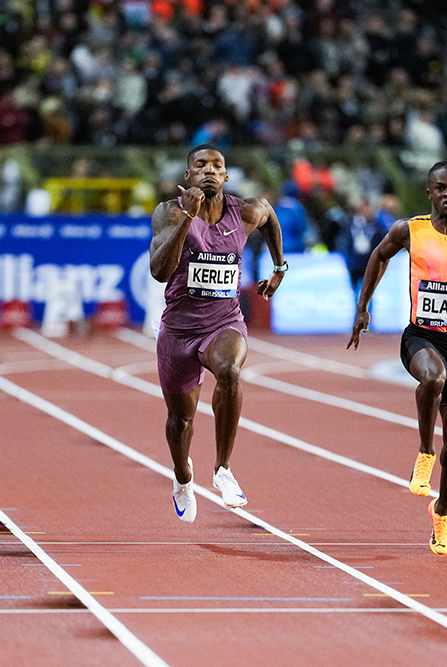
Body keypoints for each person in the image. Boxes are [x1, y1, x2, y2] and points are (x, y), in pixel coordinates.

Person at [347, 161, 447, 555]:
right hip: (420, 336)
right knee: (431, 378)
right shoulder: (409, 229)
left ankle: (444, 511)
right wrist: (363, 306)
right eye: (441, 188)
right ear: (429, 192)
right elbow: (378, 257)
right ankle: (423, 452)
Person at [149, 145, 285, 522]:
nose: (209, 170)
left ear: (226, 176)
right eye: (201, 165)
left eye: (217, 166)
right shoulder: (170, 212)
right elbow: (159, 271)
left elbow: (270, 215)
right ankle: (182, 477)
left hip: (223, 321)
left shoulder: (245, 212)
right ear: (188, 175)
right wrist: (187, 218)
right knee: (181, 422)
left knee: (229, 369)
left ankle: (223, 469)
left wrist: (279, 265)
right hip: (178, 330)